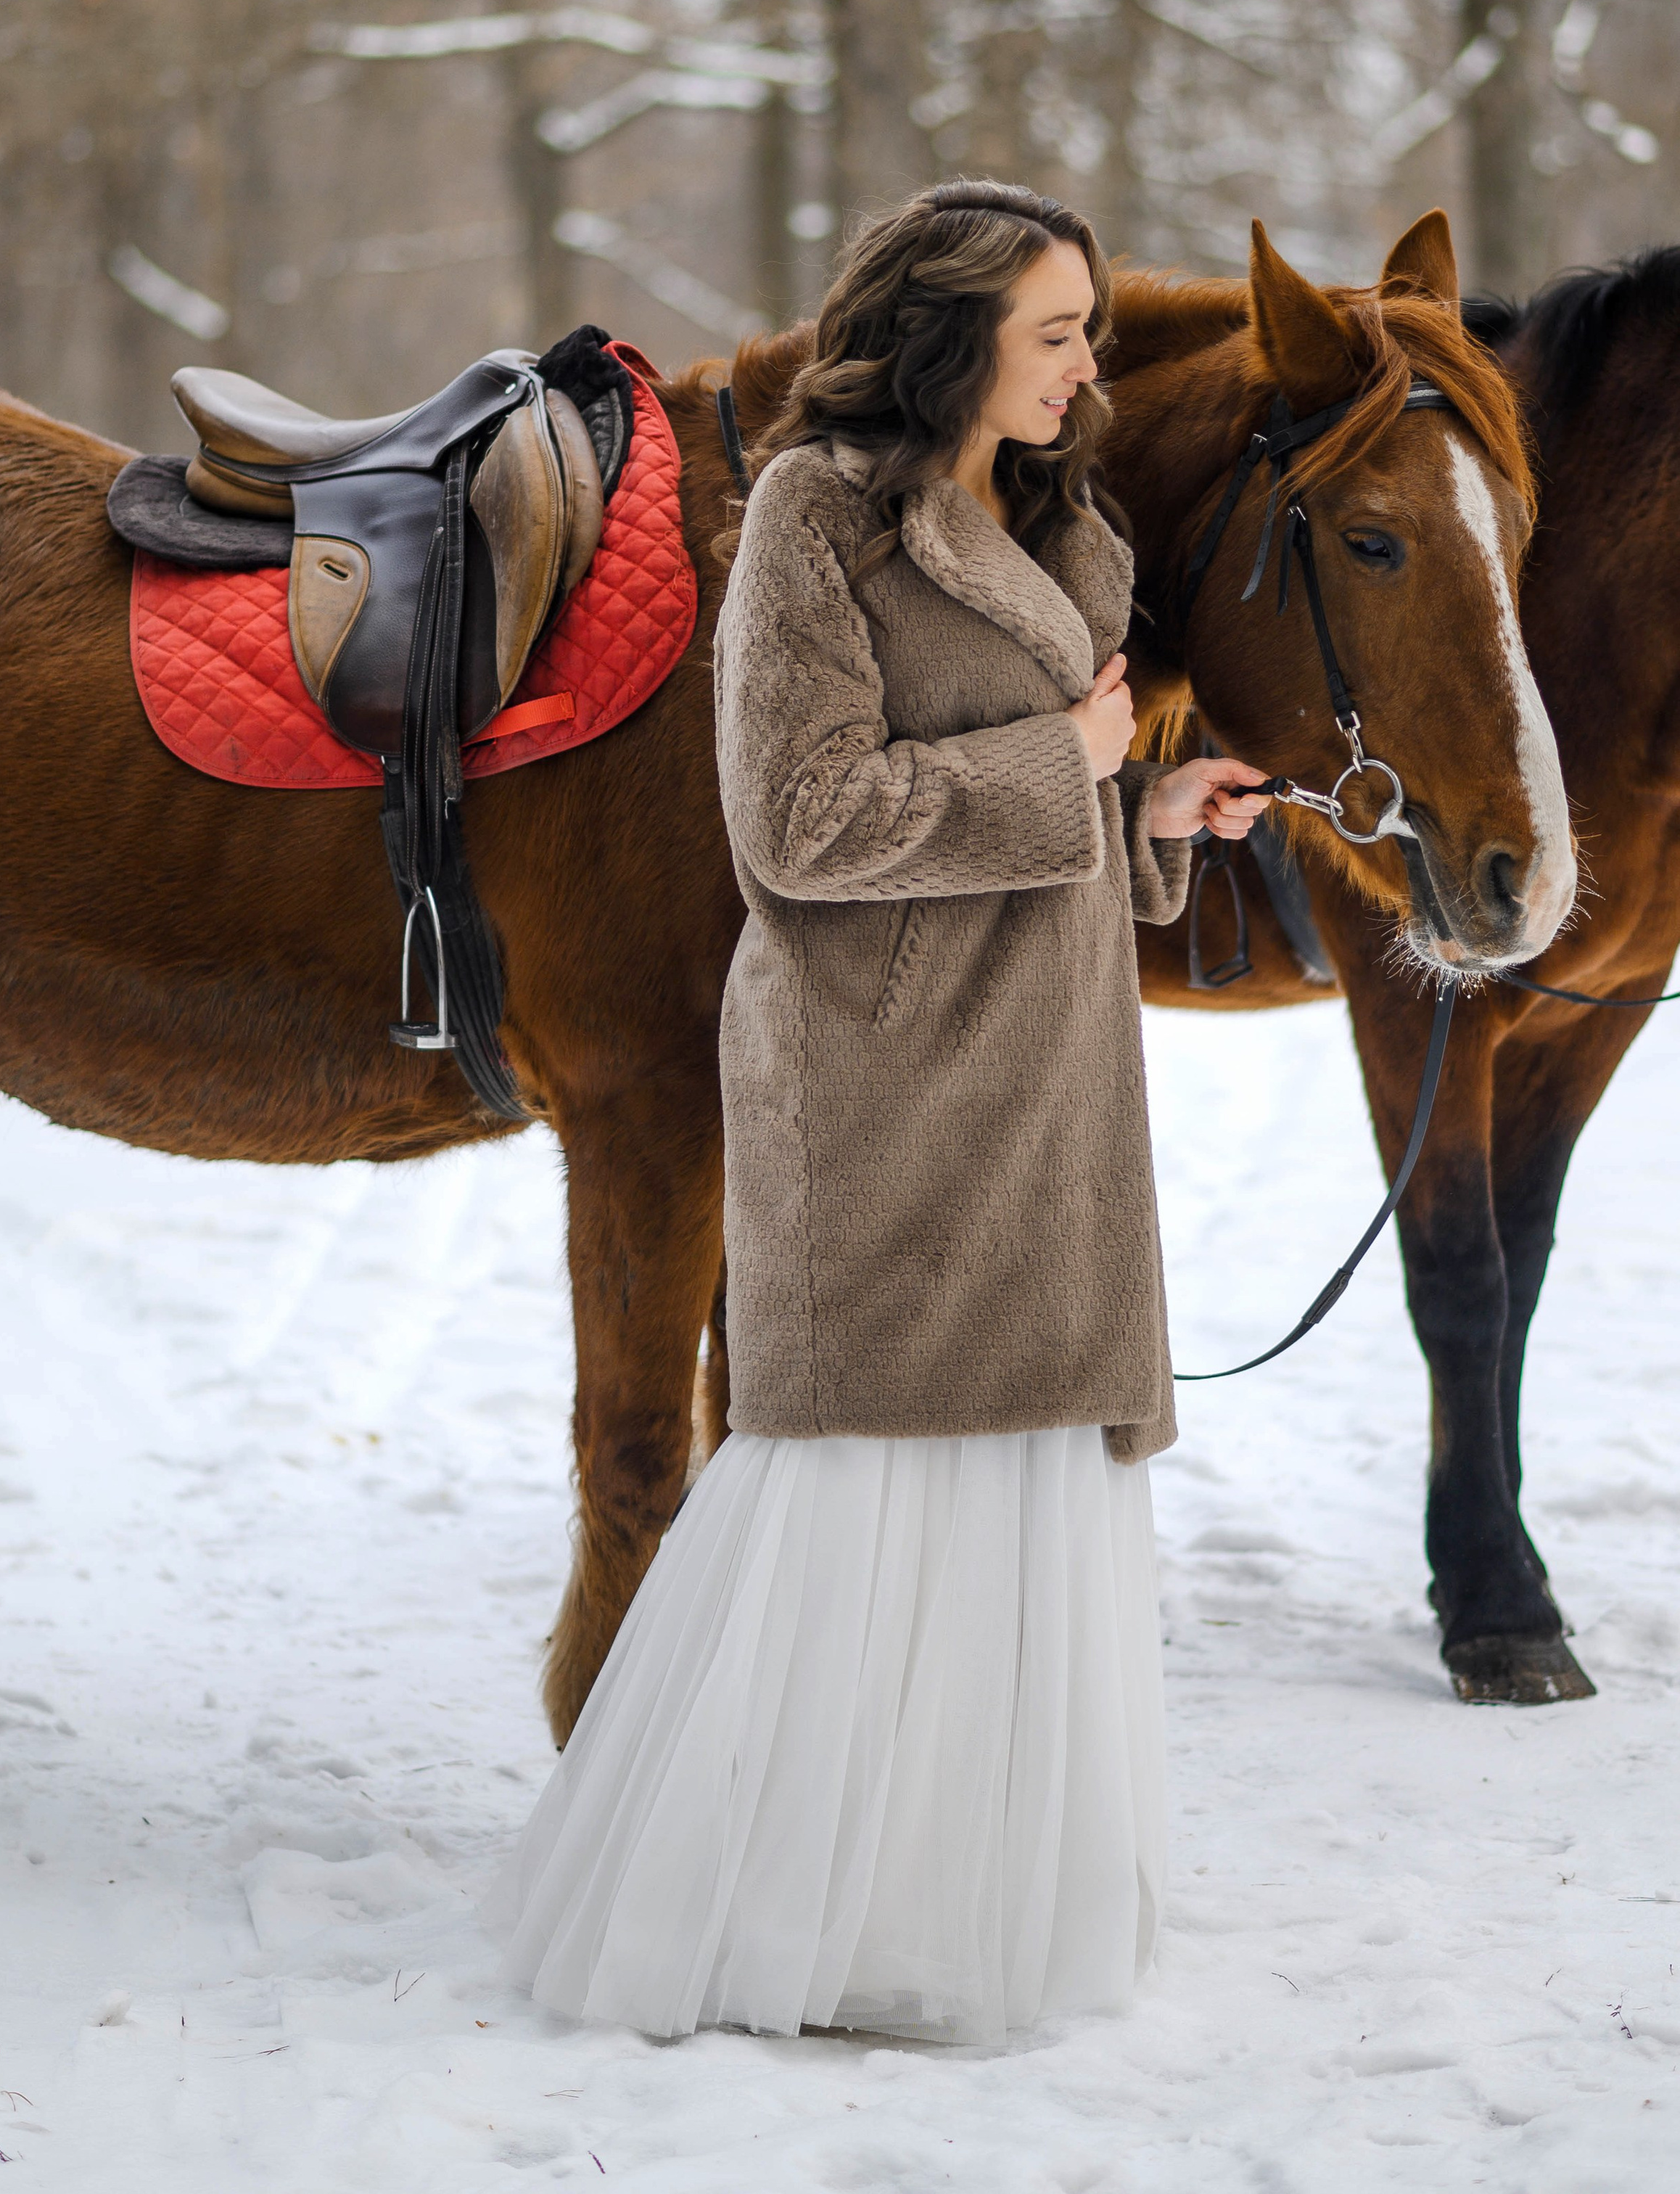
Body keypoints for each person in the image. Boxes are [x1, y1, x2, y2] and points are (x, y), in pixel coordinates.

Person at [484, 180, 1268, 2044]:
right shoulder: (811, 525)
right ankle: (745, 1904)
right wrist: (1067, 756)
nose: (1089, 365)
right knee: (848, 1487)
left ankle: (949, 1907)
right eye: (1055, 331)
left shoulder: (1061, 513)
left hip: (1048, 1077)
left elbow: (1027, 792)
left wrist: (1139, 817)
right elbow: (801, 824)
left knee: (1015, 1497)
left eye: (1086, 328)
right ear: (947, 336)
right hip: (886, 1075)